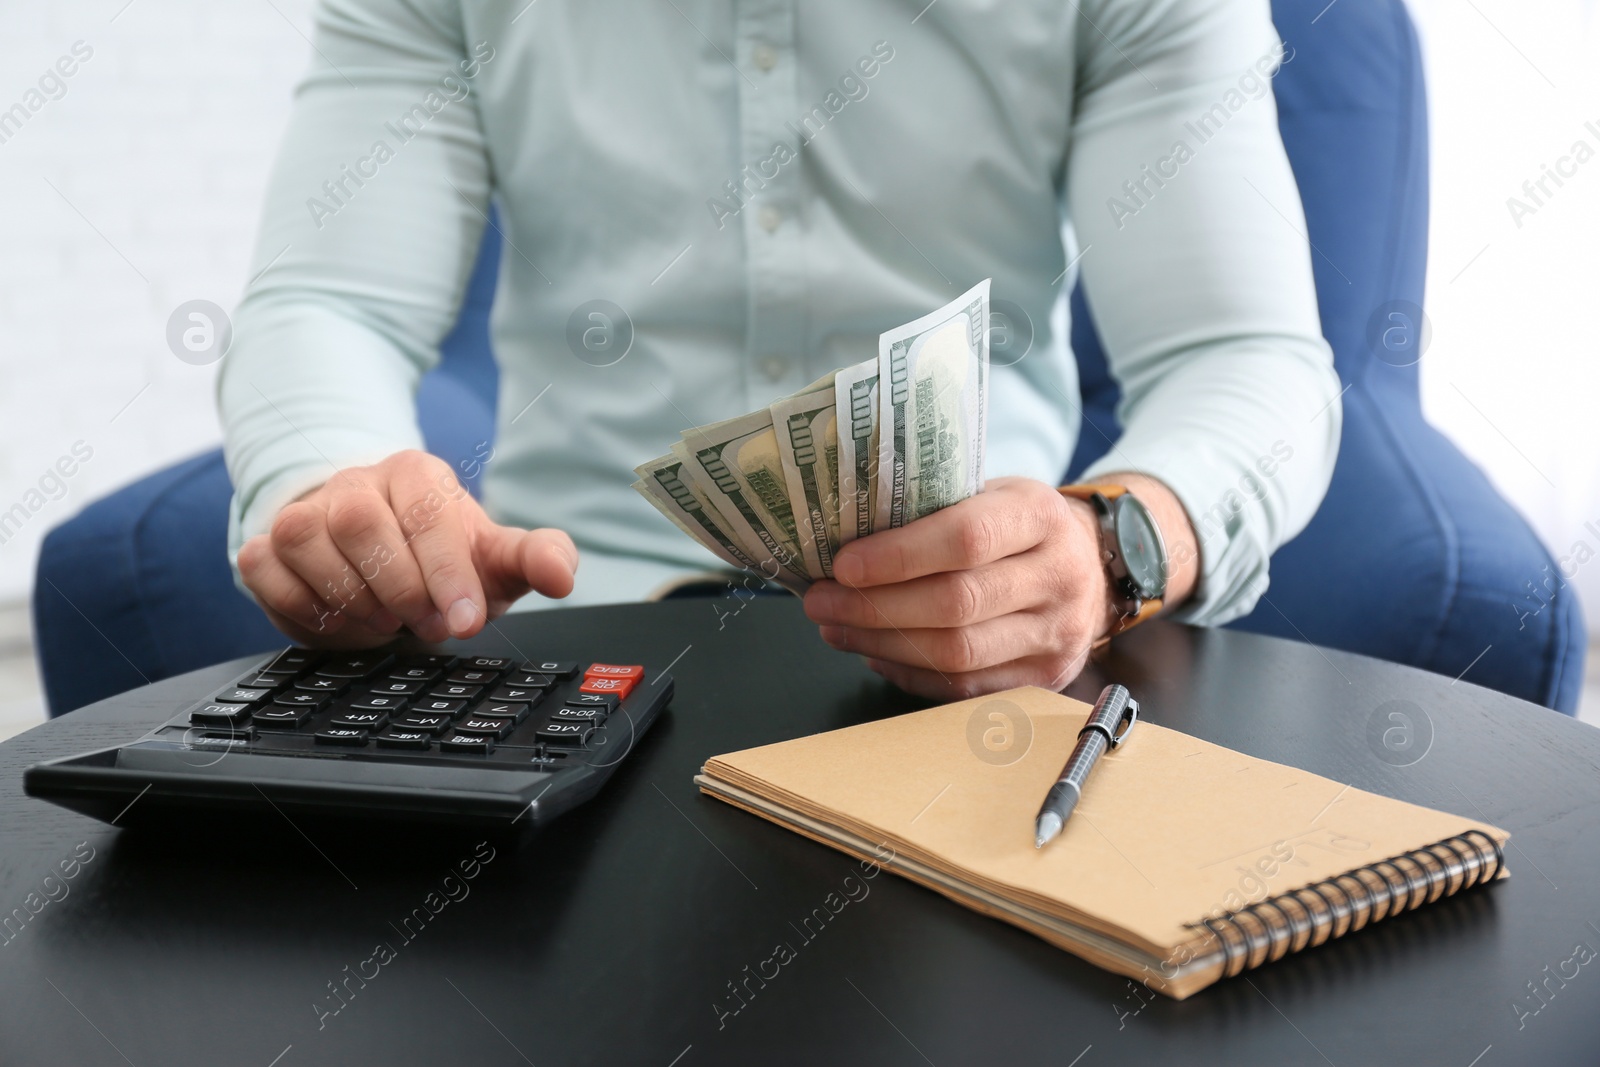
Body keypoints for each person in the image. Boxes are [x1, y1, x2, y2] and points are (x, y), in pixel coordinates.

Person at [221, 0, 1340, 701]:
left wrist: (1110, 550)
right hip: (567, 641)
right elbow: (330, 302)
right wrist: (334, 492)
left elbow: (1244, 356)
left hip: (983, 647)